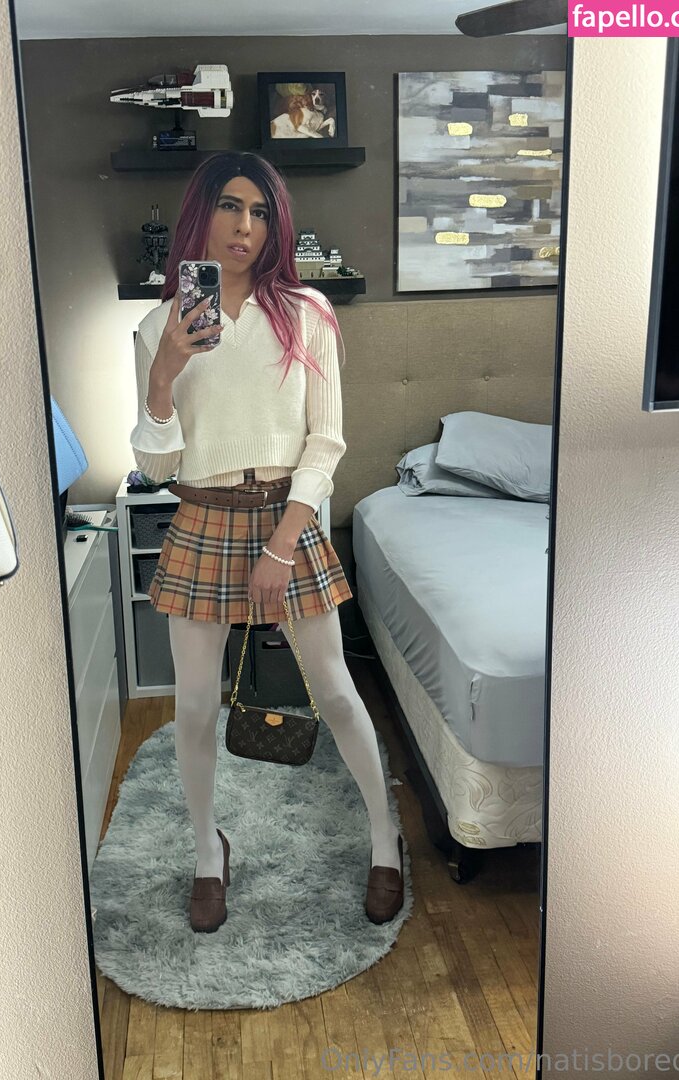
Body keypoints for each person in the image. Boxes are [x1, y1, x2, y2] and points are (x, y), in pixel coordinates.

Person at [129, 151, 405, 933]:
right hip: (202, 517)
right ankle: (206, 852)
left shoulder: (306, 311)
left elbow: (326, 441)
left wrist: (283, 544)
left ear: (274, 224)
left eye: (258, 211)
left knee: (336, 692)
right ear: (202, 213)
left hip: (287, 518)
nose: (244, 225)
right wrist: (164, 375)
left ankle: (383, 839)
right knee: (192, 707)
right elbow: (157, 467)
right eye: (229, 206)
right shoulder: (157, 325)